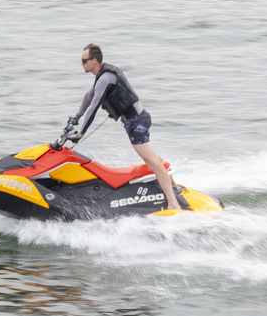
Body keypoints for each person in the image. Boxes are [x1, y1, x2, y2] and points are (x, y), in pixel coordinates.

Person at [65, 43, 184, 211]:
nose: (82, 64)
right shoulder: (103, 75)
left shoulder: (105, 78)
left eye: (84, 61)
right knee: (152, 158)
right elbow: (88, 96)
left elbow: (93, 107)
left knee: (152, 161)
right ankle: (174, 187)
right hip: (136, 120)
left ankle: (173, 203)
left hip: (137, 122)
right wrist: (76, 117)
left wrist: (80, 133)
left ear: (94, 61)